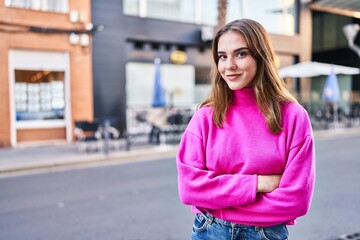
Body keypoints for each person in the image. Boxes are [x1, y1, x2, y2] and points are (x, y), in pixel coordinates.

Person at [176, 18, 315, 240]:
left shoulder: (293, 117)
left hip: (265, 235)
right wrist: (258, 183)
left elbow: (296, 200)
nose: (229, 65)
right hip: (209, 232)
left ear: (261, 57)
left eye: (241, 54)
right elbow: (190, 188)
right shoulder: (205, 117)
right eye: (222, 56)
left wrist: (218, 202)